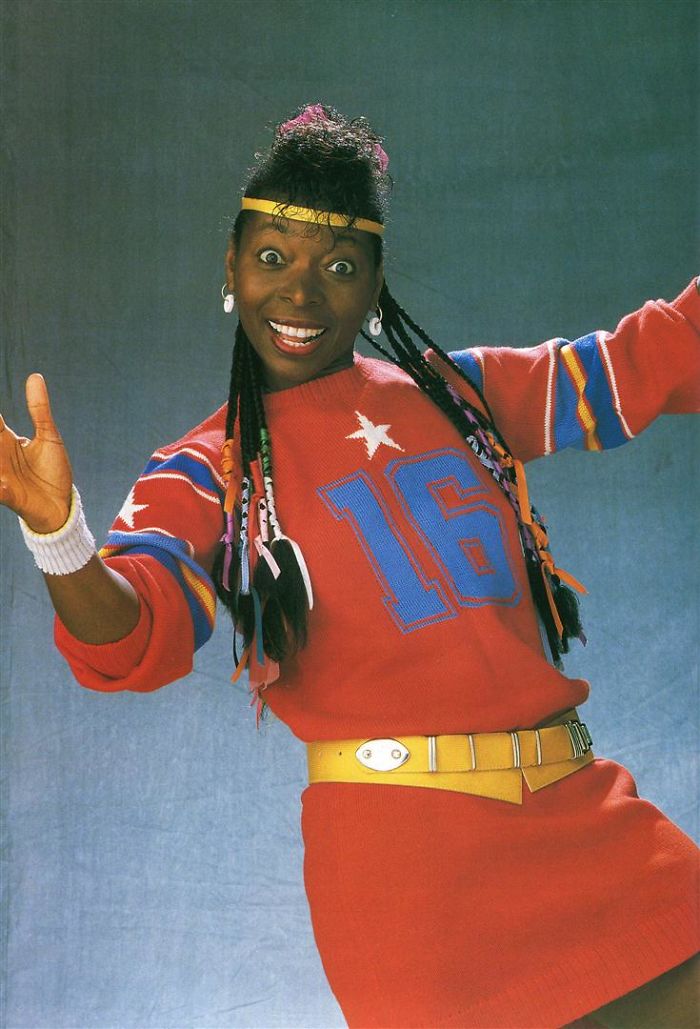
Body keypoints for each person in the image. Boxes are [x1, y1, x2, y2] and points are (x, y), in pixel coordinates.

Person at [1, 104, 698, 1029]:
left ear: (374, 284)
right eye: (271, 258)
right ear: (230, 267)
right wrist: (59, 533)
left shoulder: (460, 395)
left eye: (337, 267)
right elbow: (136, 632)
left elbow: (646, 361)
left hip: (583, 819)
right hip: (412, 875)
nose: (300, 293)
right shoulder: (208, 469)